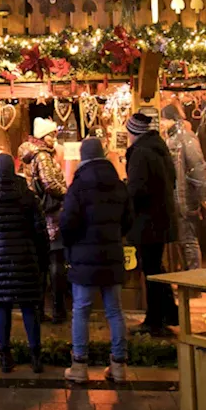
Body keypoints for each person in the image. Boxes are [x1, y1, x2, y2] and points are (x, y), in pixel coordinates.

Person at [61, 138, 133, 382]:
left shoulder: (78, 186)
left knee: (81, 310)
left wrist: (70, 243)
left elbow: (67, 222)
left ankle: (80, 366)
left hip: (84, 257)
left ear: (83, 157)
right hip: (111, 255)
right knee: (115, 310)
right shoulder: (118, 184)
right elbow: (128, 220)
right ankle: (119, 365)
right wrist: (114, 236)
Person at [0, 153, 48, 373]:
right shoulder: (27, 195)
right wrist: (42, 259)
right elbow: (40, 231)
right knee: (29, 307)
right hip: (25, 259)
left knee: (3, 307)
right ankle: (36, 356)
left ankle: (5, 356)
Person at [125, 111, 179, 335]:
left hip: (147, 221)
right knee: (156, 267)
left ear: (132, 133)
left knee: (151, 270)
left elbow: (137, 190)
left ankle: (155, 320)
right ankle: (169, 313)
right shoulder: (159, 149)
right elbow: (172, 181)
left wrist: (124, 197)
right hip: (161, 218)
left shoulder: (140, 153)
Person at [19, 117, 68, 322]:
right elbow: (49, 183)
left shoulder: (33, 156)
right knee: (55, 262)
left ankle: (38, 310)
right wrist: (68, 193)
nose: (54, 139)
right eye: (51, 135)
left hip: (38, 215)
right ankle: (58, 309)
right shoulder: (43, 157)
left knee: (40, 264)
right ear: (43, 137)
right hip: (51, 217)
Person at [161, 105, 206, 271]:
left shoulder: (186, 138)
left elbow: (197, 167)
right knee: (182, 241)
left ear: (170, 119)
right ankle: (187, 280)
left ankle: (194, 282)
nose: (161, 123)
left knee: (188, 240)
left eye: (163, 119)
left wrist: (203, 196)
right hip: (176, 198)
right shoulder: (172, 138)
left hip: (184, 199)